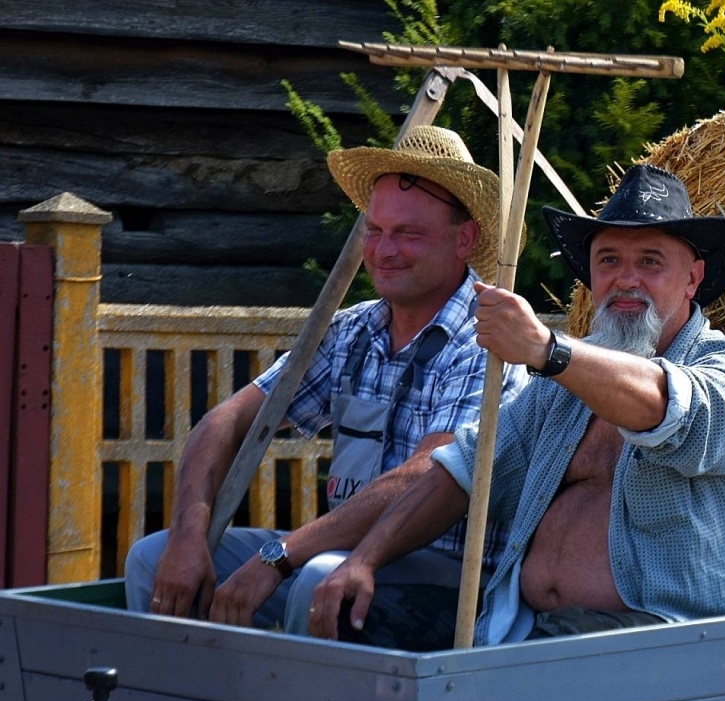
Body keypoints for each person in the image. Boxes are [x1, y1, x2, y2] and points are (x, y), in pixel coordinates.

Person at [308, 163, 725, 649]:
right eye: (608, 261)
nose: (625, 280)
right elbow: (466, 471)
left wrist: (547, 350)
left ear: (692, 279)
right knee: (350, 616)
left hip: (672, 640)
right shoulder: (559, 392)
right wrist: (363, 561)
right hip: (523, 625)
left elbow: (667, 406)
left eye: (650, 262)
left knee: (541, 657)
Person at [124, 126, 528, 633]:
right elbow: (229, 419)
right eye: (376, 231)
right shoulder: (352, 330)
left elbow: (432, 472)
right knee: (150, 557)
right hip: (338, 553)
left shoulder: (490, 337)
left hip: (454, 578)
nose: (385, 250)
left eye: (408, 233)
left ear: (463, 239)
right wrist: (188, 534)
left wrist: (279, 555)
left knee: (318, 577)